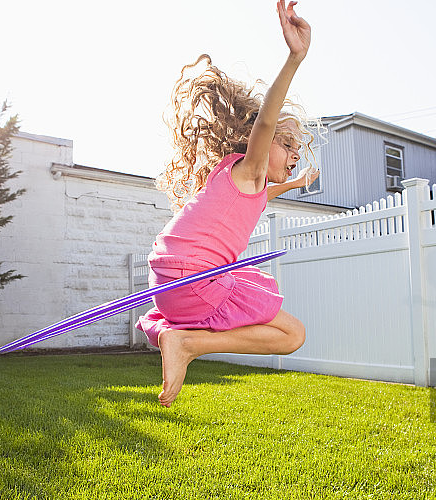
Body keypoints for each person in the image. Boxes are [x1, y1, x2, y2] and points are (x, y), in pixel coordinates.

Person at [136, 0, 321, 407]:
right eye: (287, 145)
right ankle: (187, 345)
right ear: (259, 143)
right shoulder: (249, 168)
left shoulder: (238, 181)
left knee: (289, 332)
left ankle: (184, 342)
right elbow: (267, 123)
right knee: (293, 335)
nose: (293, 154)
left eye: (297, 149)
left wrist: (297, 183)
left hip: (168, 282)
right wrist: (295, 57)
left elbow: (267, 195)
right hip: (194, 278)